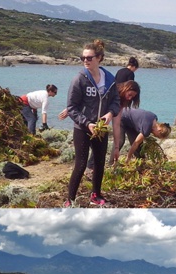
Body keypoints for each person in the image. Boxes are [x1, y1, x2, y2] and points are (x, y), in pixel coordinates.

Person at [64, 39, 120, 207]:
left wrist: (110, 113)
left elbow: (116, 101)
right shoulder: (79, 79)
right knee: (80, 164)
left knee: (99, 162)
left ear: (99, 58)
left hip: (101, 127)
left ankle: (95, 195)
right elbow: (71, 108)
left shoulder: (110, 79)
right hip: (83, 128)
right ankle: (70, 199)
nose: (86, 61)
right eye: (83, 58)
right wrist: (87, 123)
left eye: (89, 58)